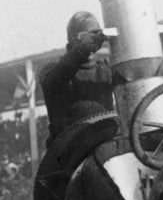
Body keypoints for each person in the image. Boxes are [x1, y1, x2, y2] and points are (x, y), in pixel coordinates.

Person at [39, 11, 114, 146]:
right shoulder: (50, 70)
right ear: (72, 40)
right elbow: (55, 80)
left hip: (104, 143)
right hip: (68, 150)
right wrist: (82, 49)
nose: (94, 42)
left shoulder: (106, 69)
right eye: (85, 36)